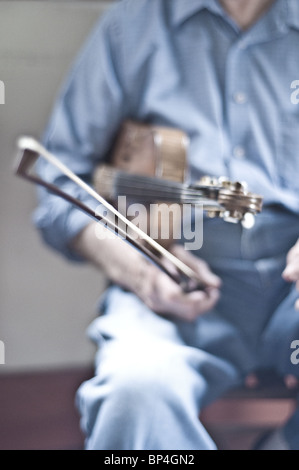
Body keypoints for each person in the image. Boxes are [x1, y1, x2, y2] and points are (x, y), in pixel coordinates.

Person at [34, 0, 299, 450]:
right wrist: (143, 271)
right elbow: (60, 184)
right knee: (135, 394)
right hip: (175, 272)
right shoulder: (131, 25)